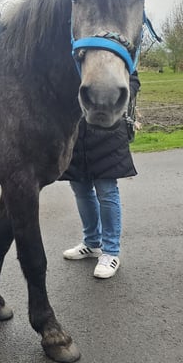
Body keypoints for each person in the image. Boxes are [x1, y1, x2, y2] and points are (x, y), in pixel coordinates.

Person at [60, 72, 140, 279]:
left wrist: (113, 99)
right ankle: (92, 242)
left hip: (107, 126)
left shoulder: (112, 47)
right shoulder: (73, 45)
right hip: (75, 129)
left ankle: (111, 252)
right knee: (80, 189)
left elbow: (132, 79)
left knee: (106, 190)